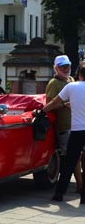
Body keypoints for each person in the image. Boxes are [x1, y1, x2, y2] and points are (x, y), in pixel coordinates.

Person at [41, 64, 85, 205]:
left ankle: (59, 194)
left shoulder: (71, 87)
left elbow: (54, 103)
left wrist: (41, 112)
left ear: (79, 74)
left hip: (77, 130)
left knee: (69, 163)